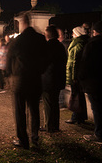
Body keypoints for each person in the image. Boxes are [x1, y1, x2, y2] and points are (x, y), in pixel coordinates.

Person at [6, 13, 47, 149]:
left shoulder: (18, 40)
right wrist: (40, 70)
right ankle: (35, 137)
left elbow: (9, 59)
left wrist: (9, 74)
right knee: (35, 109)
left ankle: (23, 140)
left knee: (20, 111)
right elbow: (46, 58)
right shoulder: (40, 39)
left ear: (22, 24)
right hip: (35, 79)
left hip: (20, 80)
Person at [79, 21, 102, 144]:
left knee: (97, 109)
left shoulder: (92, 44)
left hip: (94, 83)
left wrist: (81, 78)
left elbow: (85, 64)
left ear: (95, 32)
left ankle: (99, 134)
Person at [41, 25, 67, 132]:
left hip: (48, 79)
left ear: (48, 34)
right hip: (58, 78)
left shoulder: (47, 46)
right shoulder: (60, 46)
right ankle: (55, 125)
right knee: (55, 103)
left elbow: (43, 63)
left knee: (47, 103)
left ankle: (48, 126)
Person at [65, 26, 88, 124]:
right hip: (76, 75)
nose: (72, 34)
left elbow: (75, 62)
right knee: (78, 96)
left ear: (77, 34)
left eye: (74, 33)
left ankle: (76, 117)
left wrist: (74, 77)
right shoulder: (79, 43)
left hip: (76, 76)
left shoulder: (78, 44)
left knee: (76, 96)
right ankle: (79, 117)